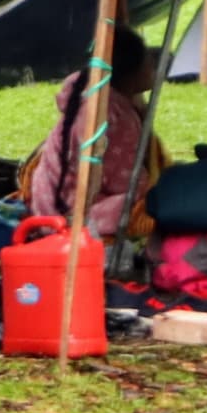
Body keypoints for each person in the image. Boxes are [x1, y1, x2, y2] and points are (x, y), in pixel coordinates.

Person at [26, 29, 169, 250]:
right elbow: (125, 181)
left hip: (46, 200)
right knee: (158, 208)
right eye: (148, 60)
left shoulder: (90, 95)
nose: (153, 66)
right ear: (132, 71)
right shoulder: (112, 116)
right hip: (73, 214)